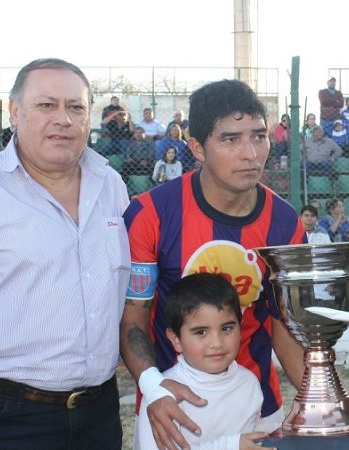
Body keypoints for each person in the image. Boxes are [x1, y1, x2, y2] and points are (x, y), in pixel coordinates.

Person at [0, 58, 130, 450]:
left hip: (99, 417)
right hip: (1, 421)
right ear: (15, 112)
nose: (63, 119)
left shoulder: (111, 185)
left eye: (75, 107)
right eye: (46, 105)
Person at [120, 79, 306, 450]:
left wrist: (314, 398)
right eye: (230, 139)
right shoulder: (150, 214)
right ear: (197, 148)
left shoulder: (284, 223)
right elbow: (133, 319)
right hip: (171, 409)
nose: (250, 153)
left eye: (259, 136)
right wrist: (153, 386)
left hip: (256, 404)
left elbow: (283, 323)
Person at [134, 273, 272, 450]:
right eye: (201, 332)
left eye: (226, 328)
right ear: (176, 339)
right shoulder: (161, 394)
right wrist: (230, 446)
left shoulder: (249, 382)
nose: (217, 343)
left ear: (240, 327)